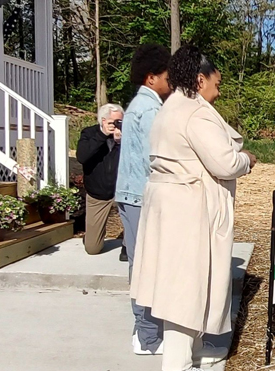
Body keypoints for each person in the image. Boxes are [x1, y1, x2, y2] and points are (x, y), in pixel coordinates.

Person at [131, 45, 257, 371]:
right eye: (217, 82)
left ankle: (192, 352)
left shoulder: (169, 107)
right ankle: (178, 363)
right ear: (200, 79)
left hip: (169, 209)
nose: (219, 89)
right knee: (184, 293)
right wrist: (247, 160)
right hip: (188, 213)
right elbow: (225, 163)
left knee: (180, 287)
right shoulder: (194, 112)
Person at [114, 43, 172, 355]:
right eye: (166, 76)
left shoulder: (138, 104)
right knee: (145, 267)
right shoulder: (150, 109)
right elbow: (160, 155)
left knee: (141, 263)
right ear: (151, 78)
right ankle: (148, 337)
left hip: (132, 196)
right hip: (141, 198)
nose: (170, 82)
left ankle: (144, 331)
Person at [77, 103, 124, 255]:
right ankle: (92, 236)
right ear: (103, 121)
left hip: (122, 191)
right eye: (113, 122)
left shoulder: (127, 135)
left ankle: (128, 244)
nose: (117, 126)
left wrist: (119, 144)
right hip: (98, 193)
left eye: (120, 122)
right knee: (92, 249)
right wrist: (102, 135)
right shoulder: (89, 133)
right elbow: (82, 157)